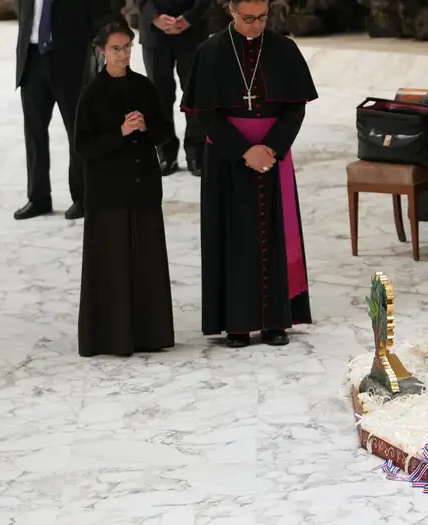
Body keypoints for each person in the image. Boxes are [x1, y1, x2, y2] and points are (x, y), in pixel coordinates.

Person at [181, 0, 317, 348]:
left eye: (263, 17)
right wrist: (244, 150)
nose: (257, 25)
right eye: (249, 18)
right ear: (231, 10)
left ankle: (275, 322)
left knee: (275, 236)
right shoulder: (210, 51)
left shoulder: (284, 49)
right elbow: (204, 113)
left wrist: (271, 147)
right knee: (231, 235)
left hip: (273, 154)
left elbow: (295, 107)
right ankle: (236, 323)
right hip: (226, 155)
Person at [74, 20, 176, 357]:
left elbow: (164, 133)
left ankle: (151, 334)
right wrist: (119, 132)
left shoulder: (144, 87)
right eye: (116, 48)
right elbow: (83, 146)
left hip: (143, 185)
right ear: (102, 51)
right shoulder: (92, 93)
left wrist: (146, 128)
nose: (123, 54)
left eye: (127, 47)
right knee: (112, 262)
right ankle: (111, 337)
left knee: (146, 260)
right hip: (108, 191)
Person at [13, 0, 112, 221]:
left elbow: (100, 12)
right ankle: (38, 198)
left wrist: (103, 47)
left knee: (77, 130)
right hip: (32, 58)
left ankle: (82, 197)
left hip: (71, 60)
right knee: (34, 132)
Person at [136, 0, 212, 176]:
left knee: (195, 93)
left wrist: (189, 18)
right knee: (158, 95)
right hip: (154, 33)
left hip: (193, 31)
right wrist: (154, 16)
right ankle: (165, 153)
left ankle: (196, 153)